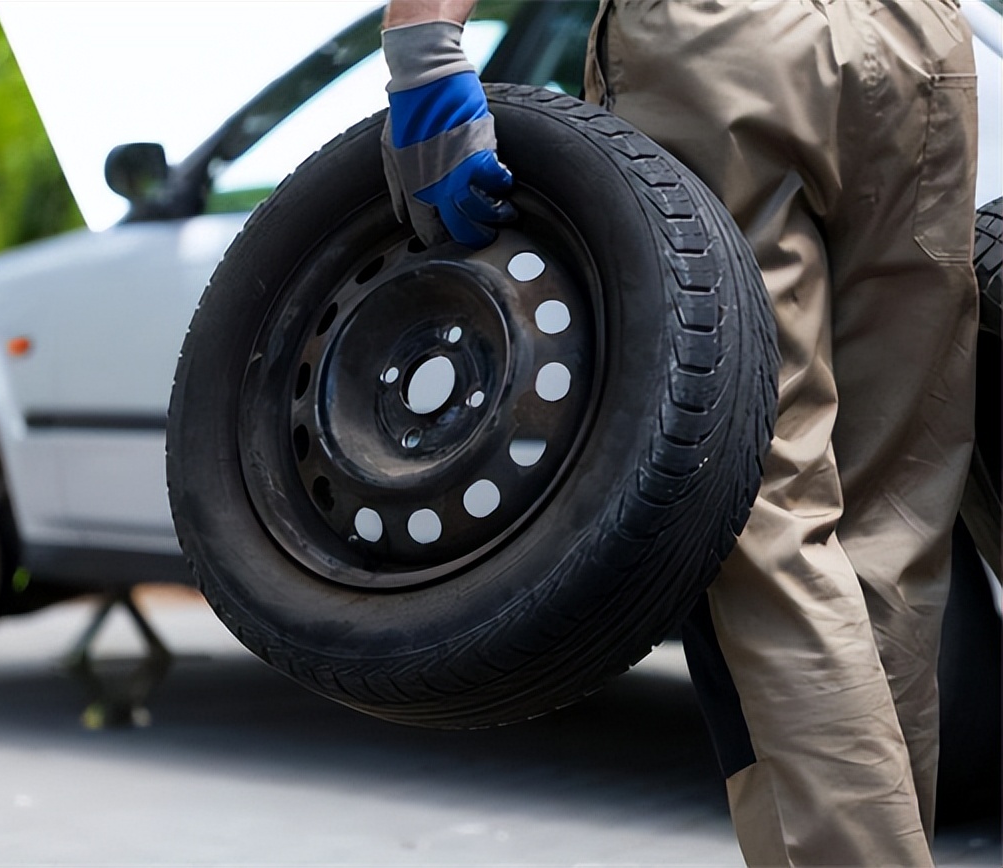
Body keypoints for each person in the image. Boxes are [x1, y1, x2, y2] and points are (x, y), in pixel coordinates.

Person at [379, 0, 979, 865]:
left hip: (726, 43)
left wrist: (425, 57)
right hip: (920, 36)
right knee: (892, 519)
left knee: (757, 506)